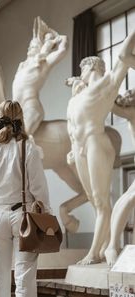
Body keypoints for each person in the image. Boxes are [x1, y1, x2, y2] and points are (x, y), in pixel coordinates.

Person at [67, 29, 135, 265]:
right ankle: (105, 246)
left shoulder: (105, 85)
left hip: (96, 141)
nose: (80, 73)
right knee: (94, 200)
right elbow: (71, 125)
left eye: (83, 68)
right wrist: (71, 150)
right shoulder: (78, 97)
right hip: (79, 147)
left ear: (93, 68)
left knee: (101, 200)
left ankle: (95, 253)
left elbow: (124, 57)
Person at [0, 100, 51, 297]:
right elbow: (38, 187)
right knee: (24, 275)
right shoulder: (27, 148)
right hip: (24, 215)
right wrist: (46, 214)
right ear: (21, 119)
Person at [12, 16, 68, 135]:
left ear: (41, 48)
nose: (29, 48)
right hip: (13, 109)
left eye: (33, 46)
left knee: (20, 137)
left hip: (30, 106)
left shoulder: (44, 62)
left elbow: (62, 51)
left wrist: (62, 38)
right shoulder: (22, 66)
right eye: (29, 46)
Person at [105, 89, 135, 266]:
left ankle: (112, 245)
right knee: (129, 197)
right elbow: (108, 104)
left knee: (128, 198)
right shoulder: (132, 112)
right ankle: (112, 245)